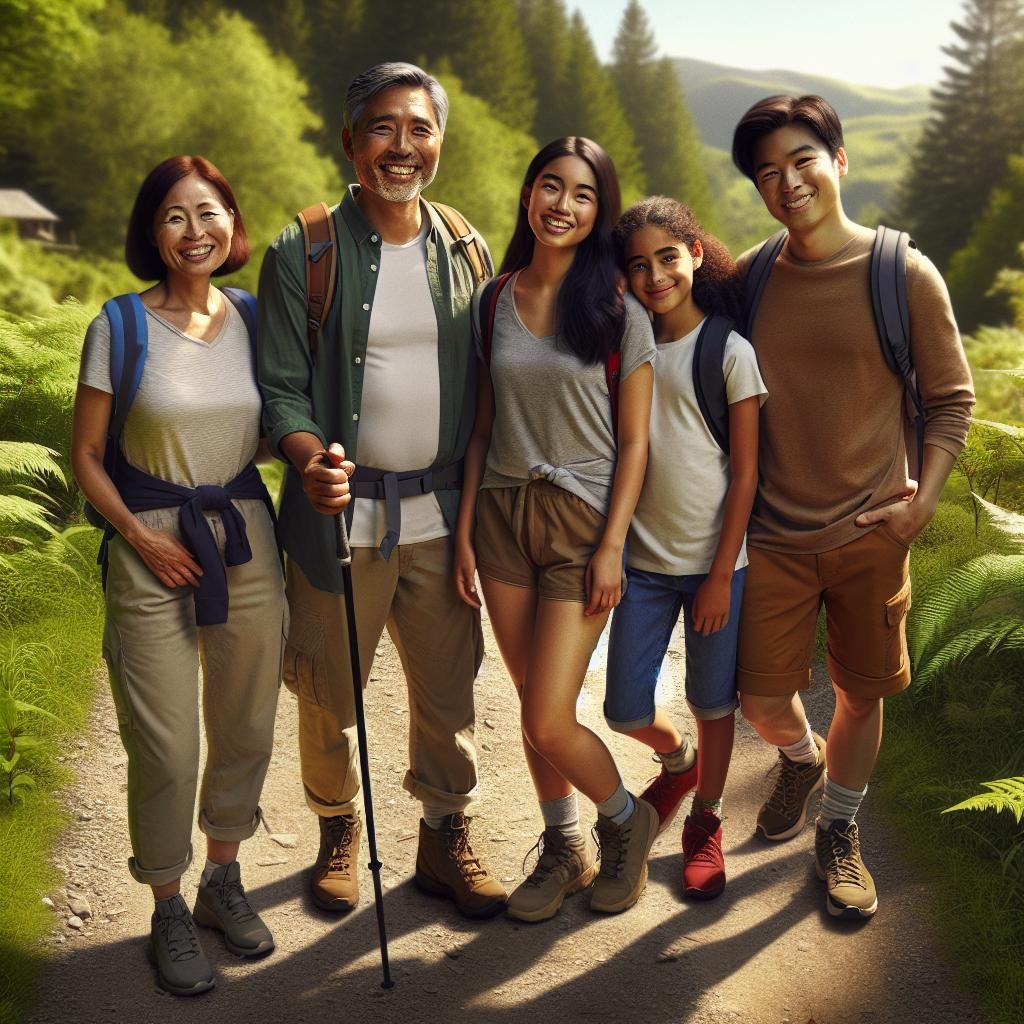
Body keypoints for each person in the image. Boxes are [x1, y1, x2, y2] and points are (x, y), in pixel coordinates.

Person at [256, 62, 506, 919]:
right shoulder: (306, 248)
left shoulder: (465, 245)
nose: (402, 147)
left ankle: (445, 835)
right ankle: (336, 829)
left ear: (440, 139)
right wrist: (305, 453)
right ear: (351, 140)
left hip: (440, 517)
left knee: (450, 687)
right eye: (383, 128)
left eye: (419, 129)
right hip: (337, 523)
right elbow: (281, 384)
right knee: (330, 687)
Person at [730, 95, 974, 918]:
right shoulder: (752, 277)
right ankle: (798, 756)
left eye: (801, 161)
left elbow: (951, 401)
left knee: (862, 694)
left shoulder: (901, 271)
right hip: (772, 536)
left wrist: (920, 506)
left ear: (837, 161)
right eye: (768, 173)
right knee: (760, 698)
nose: (787, 182)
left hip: (874, 529)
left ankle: (838, 829)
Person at [72, 155, 284, 996]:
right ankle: (165, 902)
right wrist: (137, 535)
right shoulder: (119, 326)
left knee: (247, 725)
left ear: (232, 224)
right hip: (148, 544)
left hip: (244, 536)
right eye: (174, 217)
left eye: (211, 213)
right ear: (151, 233)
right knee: (165, 744)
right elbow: (87, 456)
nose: (195, 231)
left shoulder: (255, 319)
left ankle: (221, 881)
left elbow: (273, 430)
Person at [454, 136, 658, 922]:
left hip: (582, 522)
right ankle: (563, 844)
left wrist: (613, 545)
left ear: (599, 211)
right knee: (528, 697)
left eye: (581, 194)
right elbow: (480, 428)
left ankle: (625, 820)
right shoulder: (494, 298)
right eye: (550, 186)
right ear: (528, 194)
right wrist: (470, 528)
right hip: (503, 515)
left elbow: (636, 441)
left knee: (548, 714)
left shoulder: (617, 310)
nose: (561, 205)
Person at [606, 197, 765, 899]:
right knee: (623, 708)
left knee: (713, 700)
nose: (656, 276)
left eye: (667, 258)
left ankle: (706, 819)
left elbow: (747, 473)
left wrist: (715, 574)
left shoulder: (728, 350)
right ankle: (680, 762)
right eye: (638, 266)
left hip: (714, 570)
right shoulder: (624, 350)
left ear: (696, 254)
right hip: (642, 564)